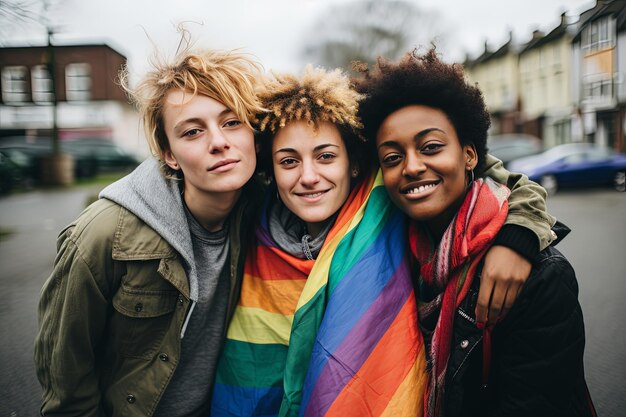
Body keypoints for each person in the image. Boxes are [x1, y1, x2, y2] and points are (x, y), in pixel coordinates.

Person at [211, 65, 558, 417]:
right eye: (288, 161)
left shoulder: (388, 207)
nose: (309, 177)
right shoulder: (247, 221)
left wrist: (520, 233)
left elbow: (490, 174)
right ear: (270, 171)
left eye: (326, 156)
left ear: (356, 164)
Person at [356, 48, 596, 417]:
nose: (412, 166)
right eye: (392, 157)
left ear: (470, 156)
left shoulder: (539, 276)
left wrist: (519, 238)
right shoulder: (387, 257)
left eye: (431, 147)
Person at [34, 48, 265, 416]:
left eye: (232, 122)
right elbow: (68, 387)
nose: (219, 141)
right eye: (192, 131)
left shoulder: (261, 214)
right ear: (169, 154)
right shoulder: (100, 237)